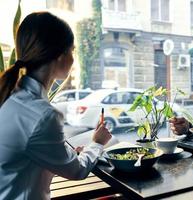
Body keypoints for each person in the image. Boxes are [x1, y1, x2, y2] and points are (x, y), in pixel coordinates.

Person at [0, 12, 112, 199]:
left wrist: (65, 152)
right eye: (72, 51)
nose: (73, 58)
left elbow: (30, 152)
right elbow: (77, 171)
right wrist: (98, 142)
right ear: (60, 56)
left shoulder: (11, 95)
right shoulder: (42, 114)